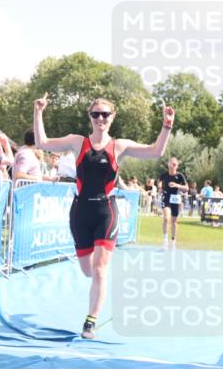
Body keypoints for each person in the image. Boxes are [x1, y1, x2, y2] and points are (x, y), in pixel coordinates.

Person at [34, 93, 174, 339]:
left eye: (105, 114)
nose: (100, 118)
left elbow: (155, 152)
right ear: (90, 117)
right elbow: (42, 142)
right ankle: (97, 289)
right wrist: (38, 112)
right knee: (88, 271)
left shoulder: (118, 146)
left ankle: (90, 321)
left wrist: (166, 126)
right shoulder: (77, 142)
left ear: (112, 117)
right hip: (80, 212)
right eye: (95, 114)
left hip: (105, 211)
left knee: (99, 270)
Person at [158, 157, 188, 248]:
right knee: (166, 218)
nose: (173, 166)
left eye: (175, 164)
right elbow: (159, 182)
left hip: (175, 198)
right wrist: (160, 187)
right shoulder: (164, 175)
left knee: (174, 221)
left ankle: (173, 240)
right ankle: (165, 240)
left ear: (177, 166)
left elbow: (187, 188)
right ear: (168, 164)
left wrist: (177, 185)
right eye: (171, 163)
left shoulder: (180, 176)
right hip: (166, 197)